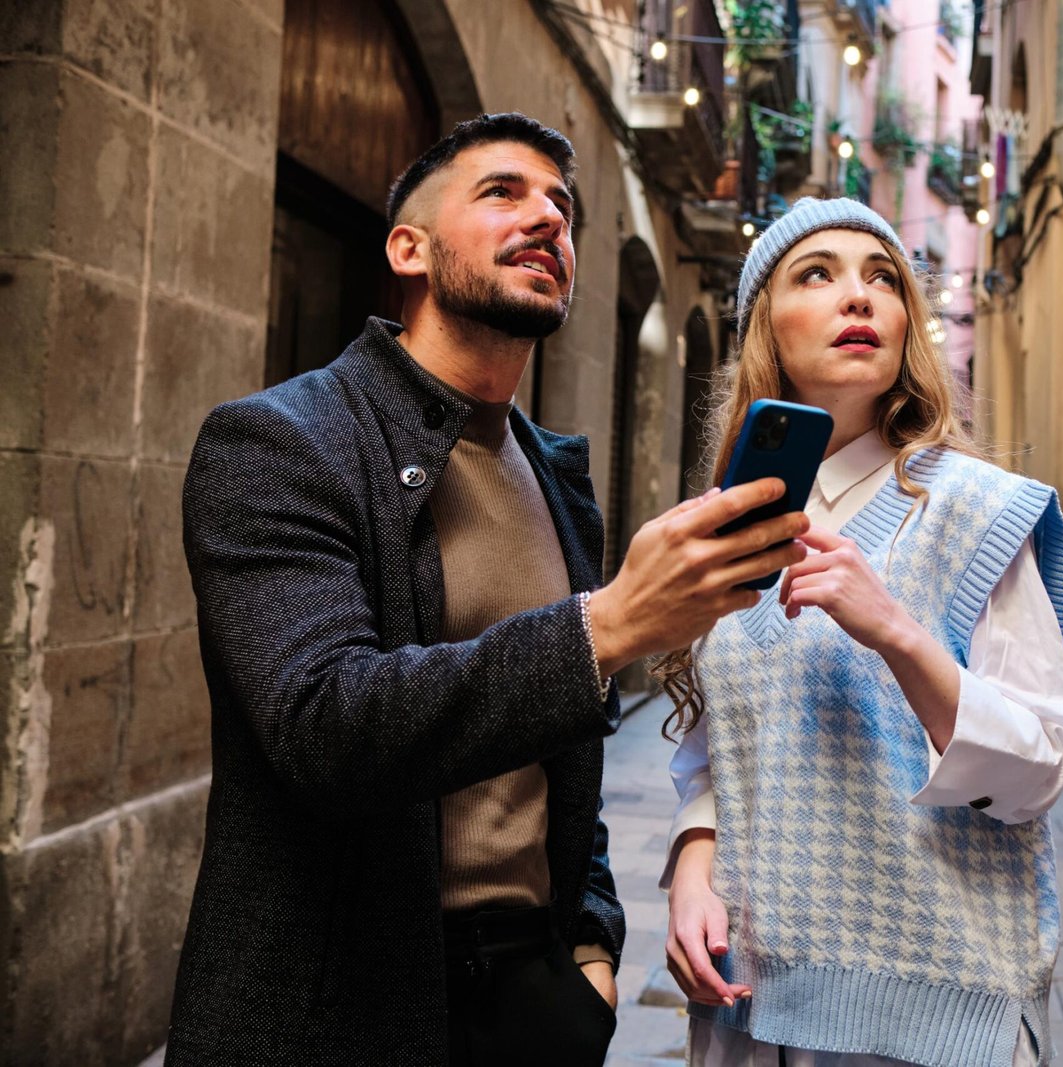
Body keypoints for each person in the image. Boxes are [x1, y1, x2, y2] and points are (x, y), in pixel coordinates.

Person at [165, 113, 809, 1067]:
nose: (548, 217)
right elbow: (323, 725)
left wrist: (589, 944)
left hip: (532, 1002)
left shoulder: (555, 480)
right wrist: (611, 624)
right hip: (332, 1007)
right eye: (503, 192)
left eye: (563, 205)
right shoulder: (279, 443)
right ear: (408, 247)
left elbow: (567, 765)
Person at [656, 197, 1063, 1067]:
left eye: (882, 278)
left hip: (927, 1020)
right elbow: (718, 751)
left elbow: (1042, 762)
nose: (859, 297)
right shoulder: (727, 527)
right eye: (817, 274)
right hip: (751, 1002)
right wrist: (695, 866)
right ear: (765, 332)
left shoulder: (979, 511)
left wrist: (896, 628)